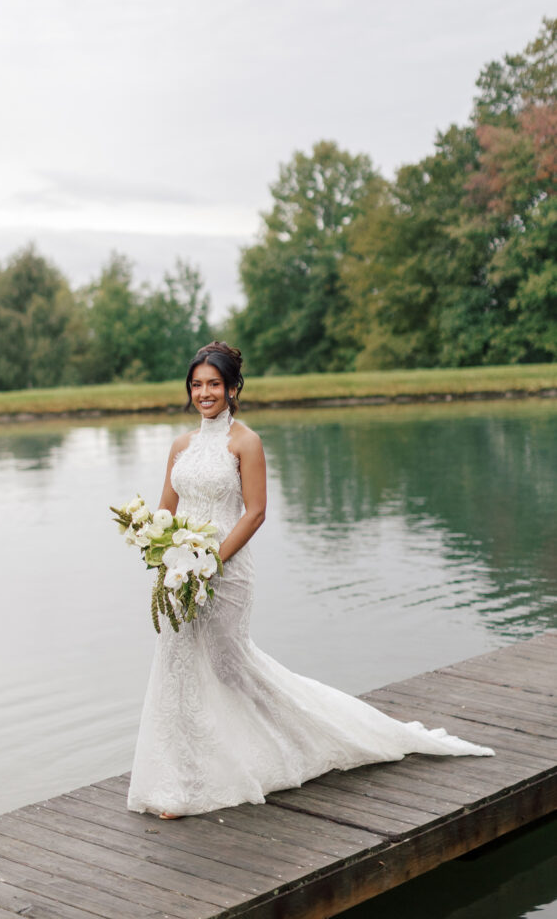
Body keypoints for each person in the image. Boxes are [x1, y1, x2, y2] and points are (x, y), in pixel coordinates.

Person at [127, 341, 494, 819]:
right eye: (196, 385)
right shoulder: (180, 446)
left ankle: (303, 739)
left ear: (233, 388)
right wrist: (152, 537)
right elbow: (166, 509)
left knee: (228, 668)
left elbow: (255, 513)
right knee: (177, 666)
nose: (204, 393)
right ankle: (181, 783)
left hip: (225, 571)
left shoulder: (246, 442)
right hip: (179, 574)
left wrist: (211, 560)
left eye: (213, 384)